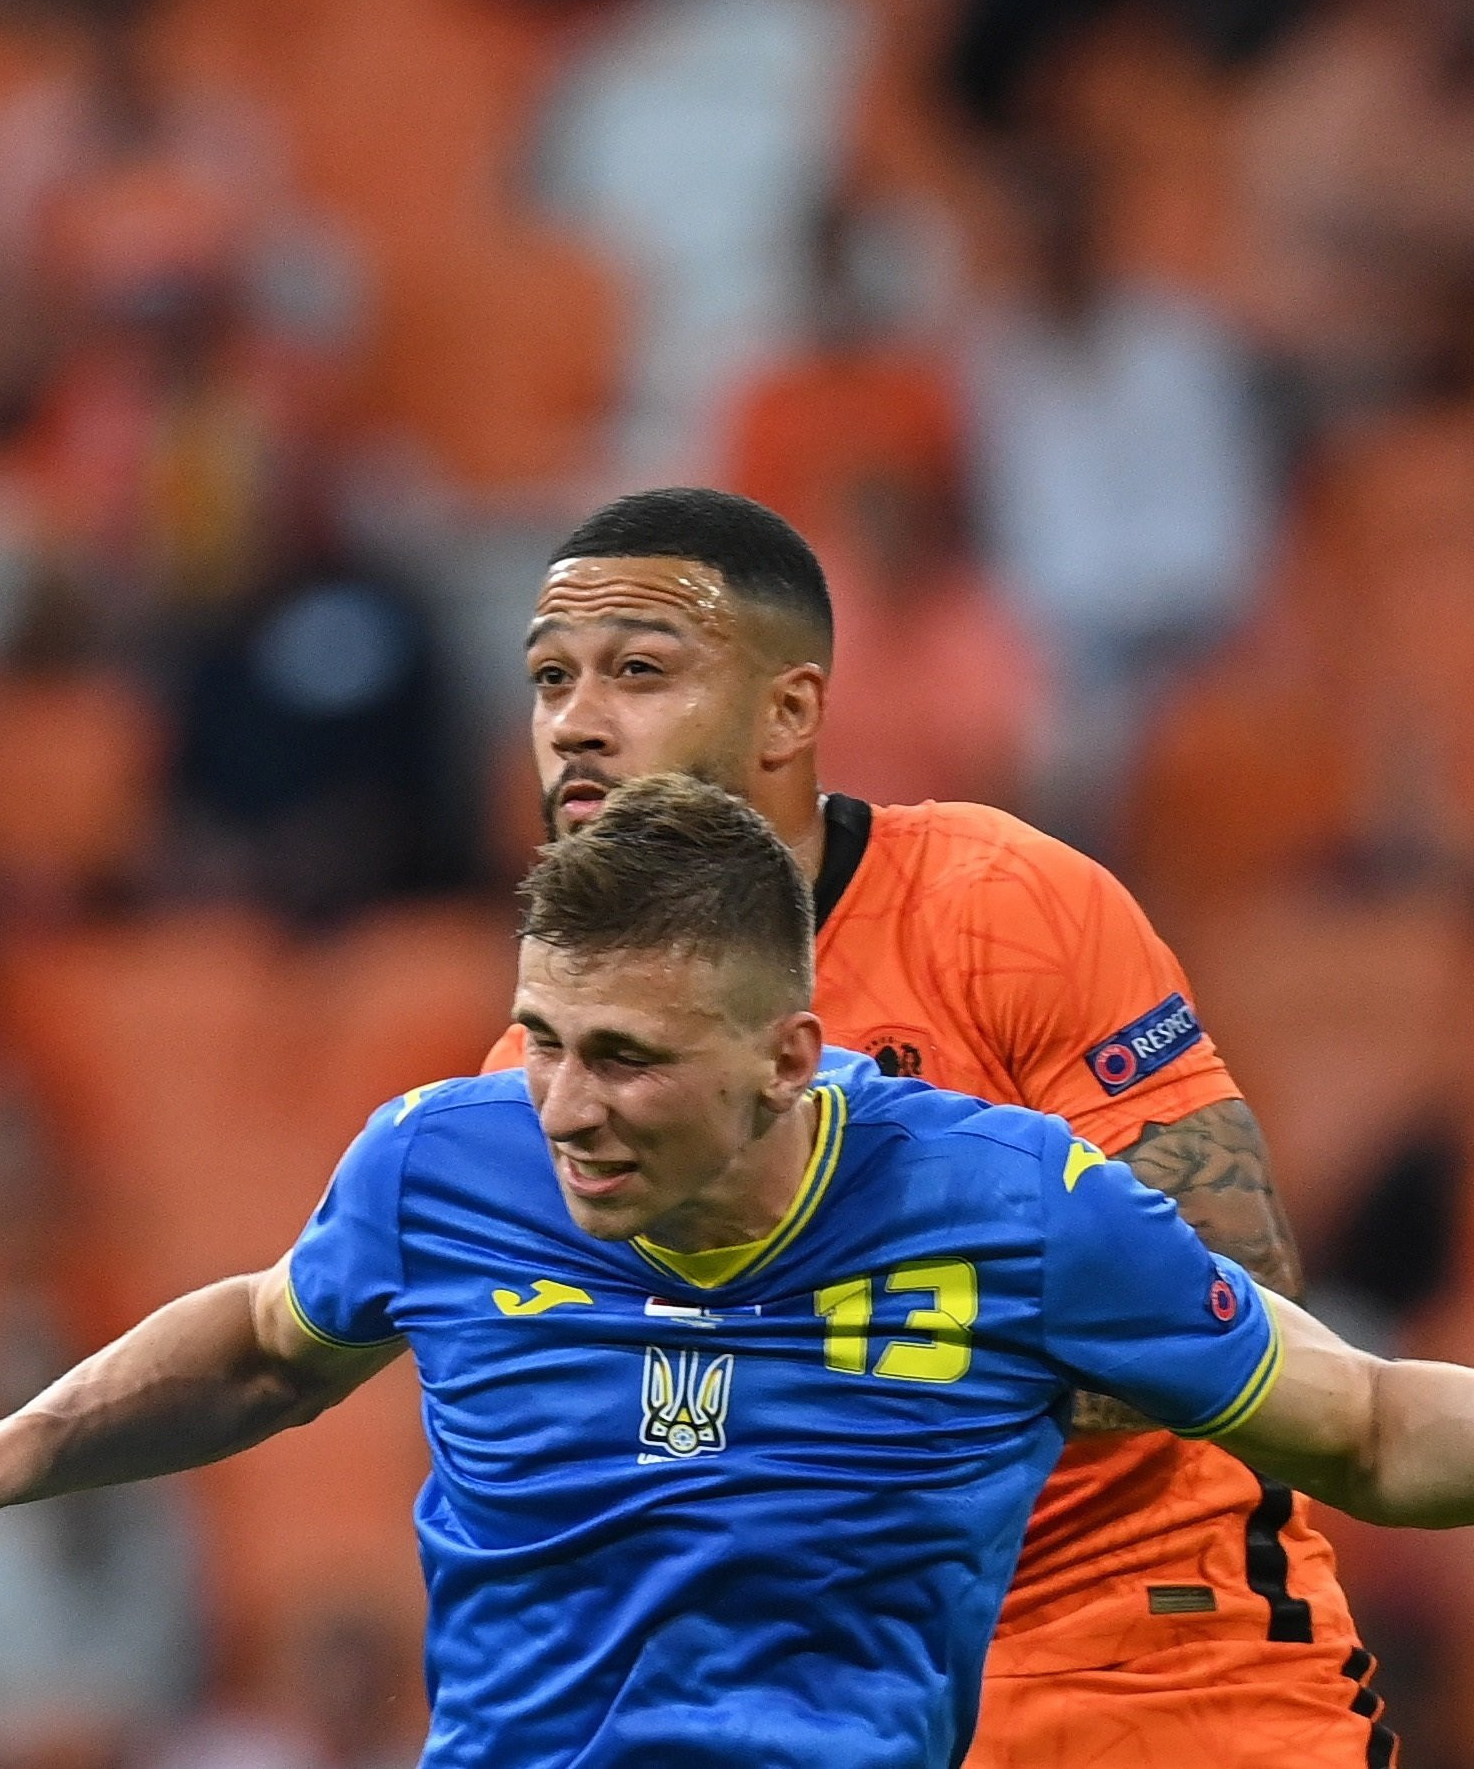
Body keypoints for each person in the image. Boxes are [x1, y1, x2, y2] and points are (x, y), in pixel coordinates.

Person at [0, 775, 1474, 1768]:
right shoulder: (443, 1160)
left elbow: (1362, 1419)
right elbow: (261, 1345)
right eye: (540, 1036)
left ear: (786, 1056)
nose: (562, 1102)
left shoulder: (1012, 1210)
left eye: (621, 1058)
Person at [485, 486, 1342, 1762]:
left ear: (790, 711)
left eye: (638, 673)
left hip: (1145, 1650)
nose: (577, 725)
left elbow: (1235, 1279)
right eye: (552, 680)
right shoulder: (536, 1065)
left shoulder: (1003, 904)